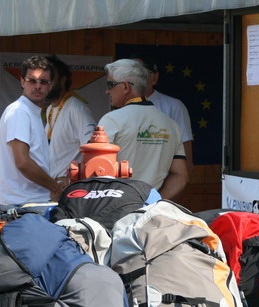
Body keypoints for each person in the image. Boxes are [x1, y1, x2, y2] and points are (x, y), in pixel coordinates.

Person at [97, 58, 188, 200]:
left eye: (110, 85)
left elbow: (96, 170)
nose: (107, 91)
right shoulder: (171, 125)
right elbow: (180, 176)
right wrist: (154, 203)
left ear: (125, 87)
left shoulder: (111, 120)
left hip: (115, 207)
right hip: (152, 210)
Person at [0, 55, 62, 205]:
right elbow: (23, 162)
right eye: (32, 80)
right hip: (22, 205)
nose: (38, 86)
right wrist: (54, 187)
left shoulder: (31, 111)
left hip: (29, 203)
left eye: (43, 82)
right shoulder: (20, 111)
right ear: (22, 82)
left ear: (51, 85)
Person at [130, 54, 195, 178]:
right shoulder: (118, 104)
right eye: (131, 74)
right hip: (128, 181)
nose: (136, 79)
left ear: (154, 77)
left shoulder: (173, 106)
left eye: (141, 74)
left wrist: (173, 186)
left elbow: (186, 155)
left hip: (162, 182)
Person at [44, 54, 96, 182]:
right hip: (52, 185)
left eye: (50, 79)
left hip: (69, 185)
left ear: (62, 80)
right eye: (43, 80)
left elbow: (93, 149)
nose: (45, 85)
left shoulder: (77, 108)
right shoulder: (50, 109)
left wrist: (71, 179)